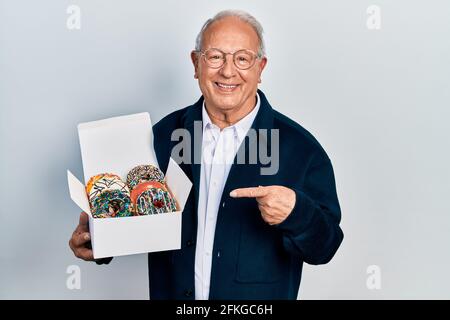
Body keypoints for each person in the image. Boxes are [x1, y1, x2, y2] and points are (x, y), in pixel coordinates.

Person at [69, 9, 344, 300]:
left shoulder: (301, 150)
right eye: (215, 57)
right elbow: (135, 217)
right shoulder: (162, 137)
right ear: (196, 63)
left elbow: (326, 247)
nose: (227, 71)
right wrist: (96, 241)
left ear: (260, 68)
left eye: (242, 58)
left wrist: (296, 214)